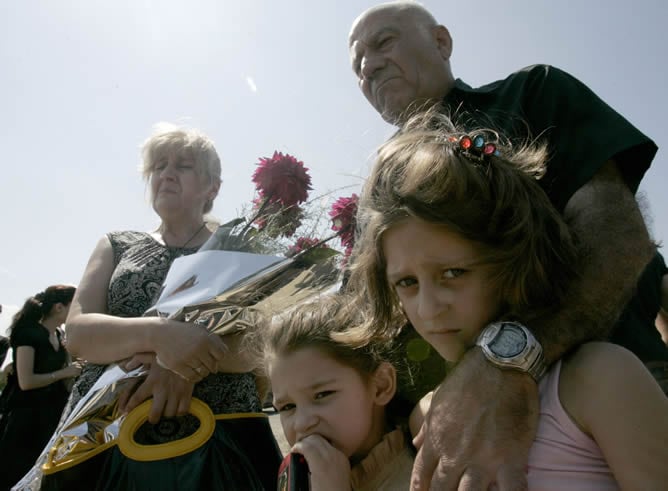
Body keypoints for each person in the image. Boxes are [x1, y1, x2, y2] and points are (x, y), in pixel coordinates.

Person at [348, 2, 665, 488]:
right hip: (455, 442)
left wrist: (507, 361)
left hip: (615, 400)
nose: (368, 65)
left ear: (441, 42)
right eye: (356, 63)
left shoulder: (534, 93)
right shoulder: (375, 190)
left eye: (383, 42)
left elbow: (617, 235)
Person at [16, 123, 282, 491]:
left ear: (212, 188)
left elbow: (264, 343)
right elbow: (78, 333)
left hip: (225, 432)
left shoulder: (240, 250)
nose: (167, 173)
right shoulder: (116, 244)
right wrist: (162, 336)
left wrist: (184, 365)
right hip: (103, 430)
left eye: (183, 165)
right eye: (158, 166)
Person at [263, 293, 415, 491]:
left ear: (381, 385)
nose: (302, 423)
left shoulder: (430, 473)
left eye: (322, 394)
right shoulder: (302, 478)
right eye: (287, 406)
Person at [0, 285, 81, 491]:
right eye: (74, 305)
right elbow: (26, 382)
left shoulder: (59, 334)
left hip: (50, 415)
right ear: (58, 307)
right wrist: (63, 373)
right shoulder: (27, 333)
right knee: (14, 472)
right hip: (25, 416)